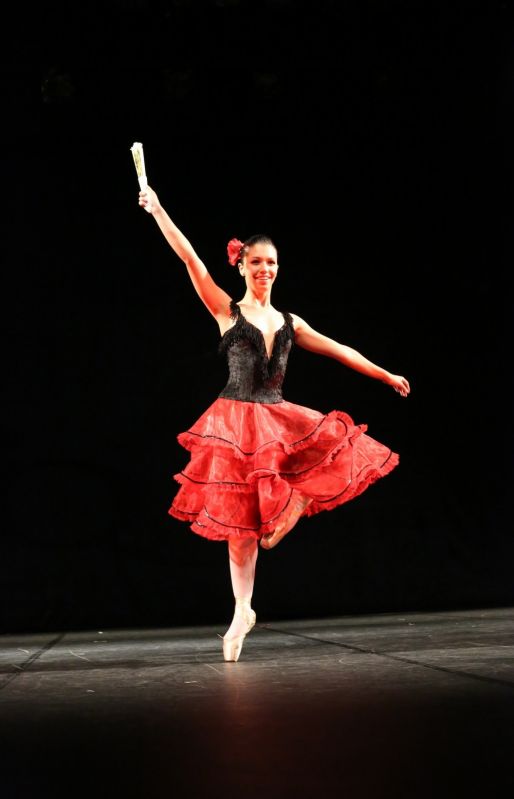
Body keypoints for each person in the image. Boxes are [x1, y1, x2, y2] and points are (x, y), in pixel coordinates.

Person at [138, 185, 410, 663]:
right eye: (257, 262)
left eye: (272, 263)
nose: (265, 269)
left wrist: (385, 374)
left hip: (275, 417)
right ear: (242, 265)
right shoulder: (227, 311)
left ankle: (294, 504)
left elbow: (339, 349)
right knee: (238, 528)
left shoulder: (290, 321)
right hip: (234, 422)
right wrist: (158, 208)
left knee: (329, 454)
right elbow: (190, 260)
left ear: (278, 269)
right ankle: (242, 610)